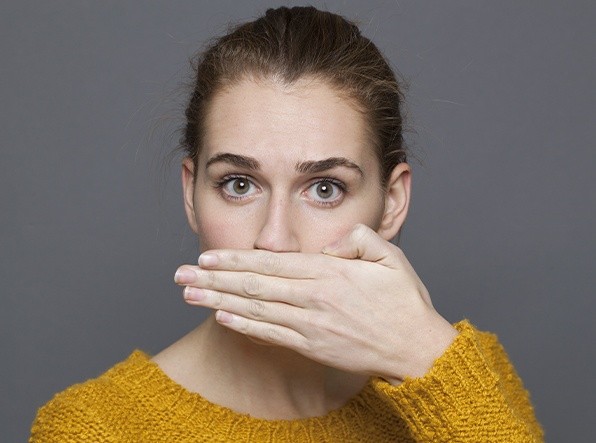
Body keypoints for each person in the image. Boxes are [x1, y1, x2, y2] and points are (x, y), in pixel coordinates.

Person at [29, 6, 543, 442]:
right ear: (191, 193)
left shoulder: (465, 373)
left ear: (391, 203)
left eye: (324, 189)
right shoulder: (95, 427)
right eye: (238, 184)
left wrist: (427, 360)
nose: (273, 240)